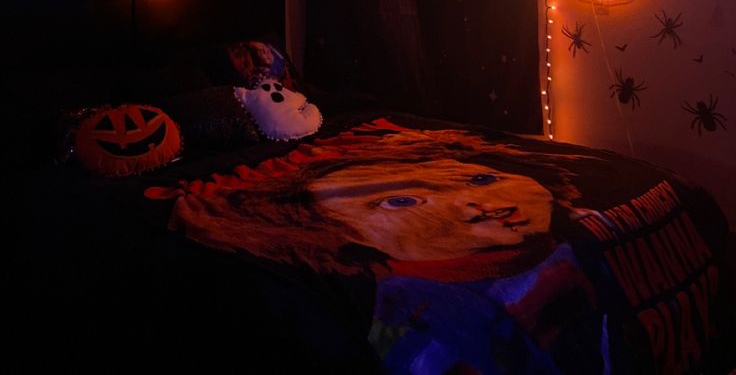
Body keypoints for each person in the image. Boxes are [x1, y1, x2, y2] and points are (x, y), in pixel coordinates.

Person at [163, 125, 607, 373]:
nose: (478, 205)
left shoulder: (568, 239)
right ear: (347, 237)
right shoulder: (415, 316)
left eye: (481, 178)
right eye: (399, 201)